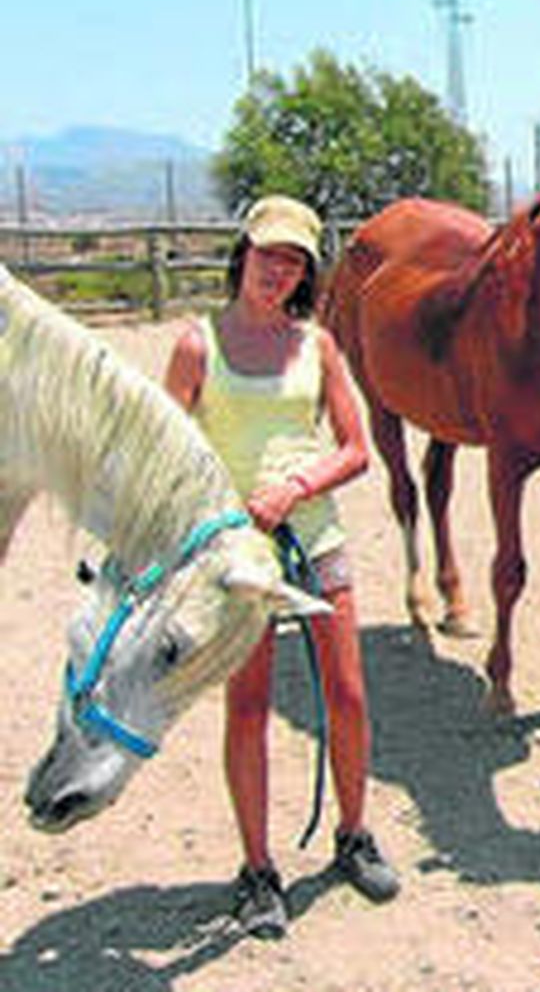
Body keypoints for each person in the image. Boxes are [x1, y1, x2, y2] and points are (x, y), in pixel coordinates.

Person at [163, 195, 399, 939]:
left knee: (350, 694)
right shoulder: (195, 346)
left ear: (306, 272)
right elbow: (164, 454)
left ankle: (354, 834)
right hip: (238, 554)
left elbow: (356, 446)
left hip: (315, 536)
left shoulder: (318, 346)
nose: (279, 270)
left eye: (294, 260)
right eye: (269, 254)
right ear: (244, 254)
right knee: (249, 706)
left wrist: (298, 486)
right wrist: (218, 520)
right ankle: (258, 868)